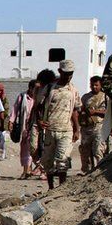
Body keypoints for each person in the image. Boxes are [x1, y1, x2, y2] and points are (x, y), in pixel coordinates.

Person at [38, 60, 81, 190]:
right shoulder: (50, 88)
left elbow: (74, 110)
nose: (68, 76)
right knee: (48, 162)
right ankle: (51, 188)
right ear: (60, 71)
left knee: (63, 160)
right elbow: (38, 106)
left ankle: (61, 188)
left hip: (66, 129)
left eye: (71, 74)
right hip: (50, 129)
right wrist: (40, 120)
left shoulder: (73, 90)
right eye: (66, 73)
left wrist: (77, 129)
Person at [27, 69, 58, 178]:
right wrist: (32, 121)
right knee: (32, 147)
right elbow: (36, 106)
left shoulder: (55, 90)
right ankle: (41, 166)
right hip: (37, 122)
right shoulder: (38, 90)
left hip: (50, 123)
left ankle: (45, 170)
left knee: (47, 148)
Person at [79, 76, 109, 173]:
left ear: (101, 85)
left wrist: (96, 112)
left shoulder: (105, 97)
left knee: (98, 150)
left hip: (99, 126)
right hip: (86, 127)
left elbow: (109, 112)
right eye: (92, 85)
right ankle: (86, 170)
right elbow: (80, 110)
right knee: (84, 151)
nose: (94, 87)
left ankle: (99, 170)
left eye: (96, 85)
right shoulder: (85, 97)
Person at [8, 79, 37, 179]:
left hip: (37, 127)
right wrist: (11, 121)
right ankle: (26, 170)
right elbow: (15, 109)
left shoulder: (40, 97)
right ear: (30, 88)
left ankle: (33, 169)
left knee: (35, 147)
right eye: (35, 89)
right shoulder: (22, 96)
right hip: (24, 126)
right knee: (25, 148)